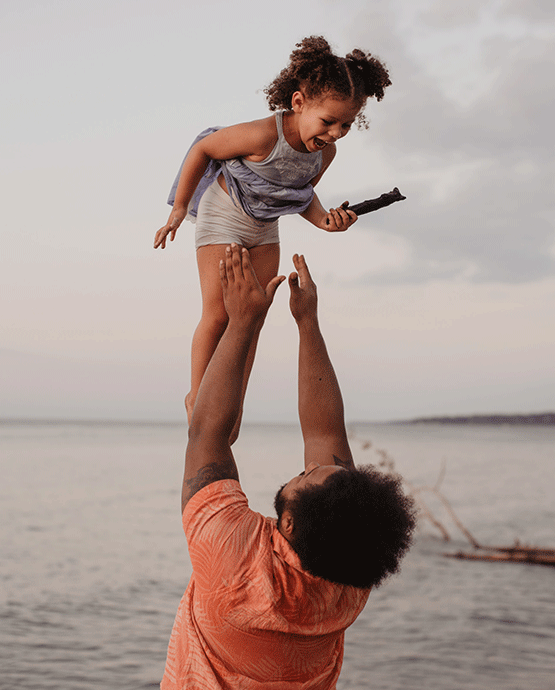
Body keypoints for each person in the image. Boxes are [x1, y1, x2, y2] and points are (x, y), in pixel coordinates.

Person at [160, 245, 416, 690]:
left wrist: (244, 321)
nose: (306, 468)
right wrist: (308, 324)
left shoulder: (234, 562)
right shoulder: (350, 572)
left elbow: (207, 434)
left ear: (291, 524)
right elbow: (324, 434)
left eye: (306, 477)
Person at [153, 35, 392, 439]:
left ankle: (232, 400)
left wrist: (326, 221)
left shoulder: (324, 154)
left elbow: (300, 195)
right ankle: (197, 396)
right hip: (224, 214)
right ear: (298, 103)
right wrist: (179, 207)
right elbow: (204, 149)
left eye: (346, 124)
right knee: (219, 311)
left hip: (265, 226)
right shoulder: (265, 134)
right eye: (328, 121)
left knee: (253, 315)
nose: (335, 133)